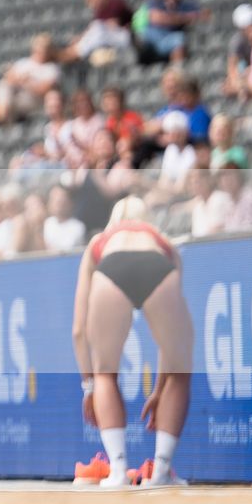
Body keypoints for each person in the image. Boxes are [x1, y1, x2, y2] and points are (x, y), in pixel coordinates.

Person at [71, 199, 192, 487]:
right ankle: (161, 471)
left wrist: (90, 386)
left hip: (111, 265)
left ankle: (118, 469)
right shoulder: (164, 243)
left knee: (105, 374)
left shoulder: (99, 242)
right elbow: (171, 350)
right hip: (157, 265)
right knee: (181, 370)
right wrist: (161, 388)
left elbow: (78, 330)